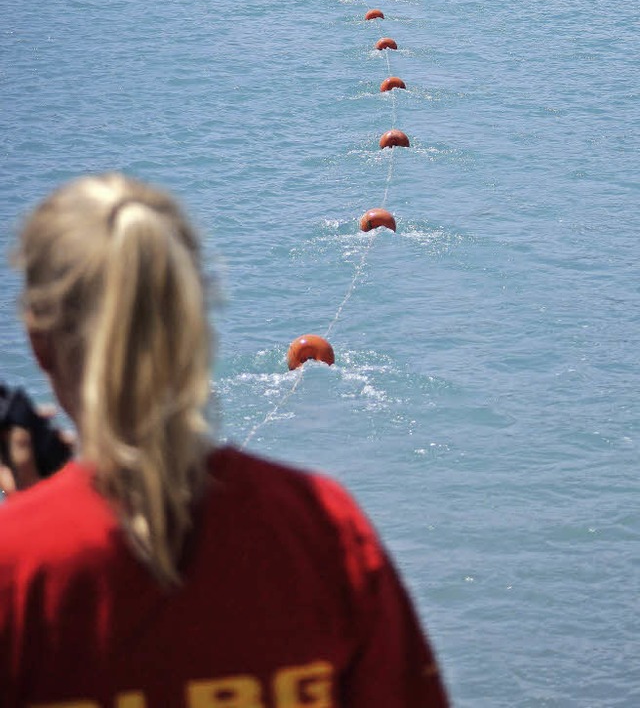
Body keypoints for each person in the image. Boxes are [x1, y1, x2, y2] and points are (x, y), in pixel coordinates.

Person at [0, 173, 449, 708]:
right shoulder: (323, 528)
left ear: (39, 342)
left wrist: (29, 518)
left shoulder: (17, 571)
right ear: (197, 323)